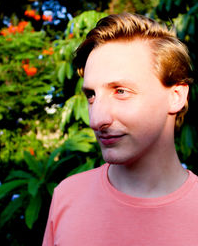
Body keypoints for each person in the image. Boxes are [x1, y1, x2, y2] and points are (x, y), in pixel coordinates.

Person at [42, 13, 198, 246]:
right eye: (92, 95)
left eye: (121, 91)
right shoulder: (67, 196)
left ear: (175, 97)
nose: (96, 120)